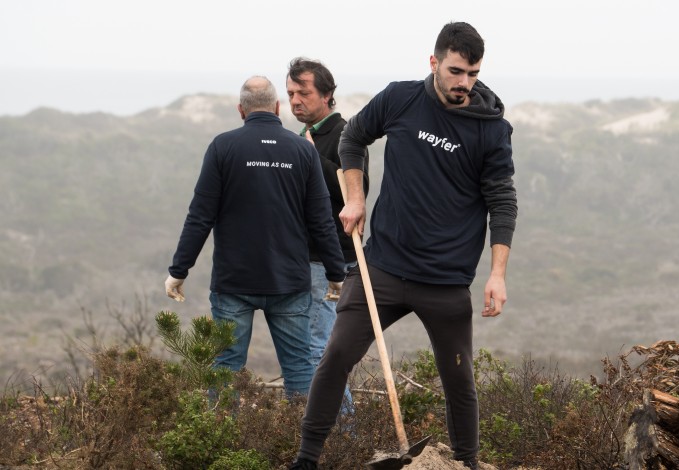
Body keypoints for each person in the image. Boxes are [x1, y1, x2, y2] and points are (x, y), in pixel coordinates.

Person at [290, 22, 517, 470]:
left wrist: (497, 273)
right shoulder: (401, 98)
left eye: (472, 74)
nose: (463, 83)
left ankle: (465, 464)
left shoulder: (491, 130)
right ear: (433, 62)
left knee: (459, 380)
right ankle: (306, 458)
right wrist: (356, 199)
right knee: (335, 357)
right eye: (455, 71)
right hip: (383, 269)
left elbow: (502, 202)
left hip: (446, 281)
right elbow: (353, 137)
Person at [164, 76, 347, 399]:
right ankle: (308, 445)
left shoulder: (223, 147)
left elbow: (200, 215)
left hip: (234, 281)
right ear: (277, 108)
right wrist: (335, 273)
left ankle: (219, 444)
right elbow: (321, 220)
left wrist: (179, 270)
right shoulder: (301, 151)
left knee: (226, 367)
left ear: (241, 110)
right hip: (289, 281)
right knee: (300, 367)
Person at [285, 57, 370, 372]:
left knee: (318, 348)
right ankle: (316, 419)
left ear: (326, 94)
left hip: (333, 261)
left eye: (303, 92)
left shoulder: (347, 135)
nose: (295, 100)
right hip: (302, 259)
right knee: (304, 346)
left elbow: (357, 193)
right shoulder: (301, 139)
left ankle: (342, 423)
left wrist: (310, 156)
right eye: (291, 93)